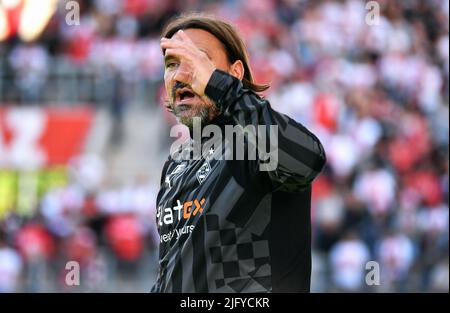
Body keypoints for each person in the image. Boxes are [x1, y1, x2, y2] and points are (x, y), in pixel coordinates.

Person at [151, 13, 326, 293]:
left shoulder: (253, 142)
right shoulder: (176, 164)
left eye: (198, 61)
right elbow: (170, 275)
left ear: (234, 73)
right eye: (172, 65)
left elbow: (308, 160)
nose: (182, 74)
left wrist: (219, 87)